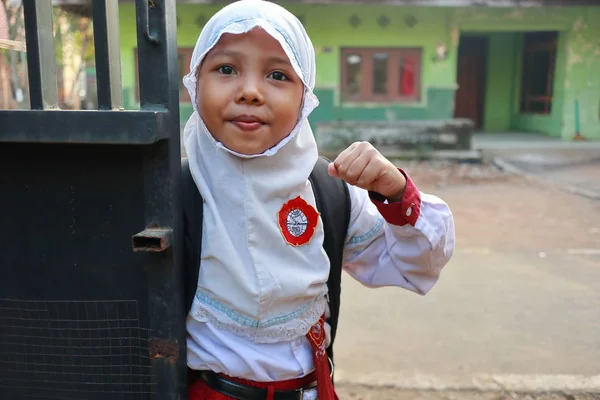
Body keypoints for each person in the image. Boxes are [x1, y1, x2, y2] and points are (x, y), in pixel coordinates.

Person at [181, 1, 455, 399]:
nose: (251, 92)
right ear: (195, 82)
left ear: (305, 96)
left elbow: (416, 263)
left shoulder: (330, 191)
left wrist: (396, 192)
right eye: (226, 69)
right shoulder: (173, 191)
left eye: (278, 74)